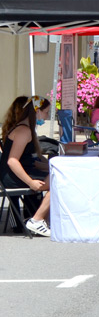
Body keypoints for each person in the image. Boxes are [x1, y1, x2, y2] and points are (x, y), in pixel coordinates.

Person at [1, 96, 53, 236]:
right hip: (13, 178)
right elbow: (12, 161)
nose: (47, 116)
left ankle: (43, 219)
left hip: (18, 174)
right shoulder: (24, 131)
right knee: (57, 181)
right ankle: (37, 220)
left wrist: (51, 166)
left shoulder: (26, 129)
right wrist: (31, 182)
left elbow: (28, 161)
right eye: (46, 112)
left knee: (57, 175)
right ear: (37, 111)